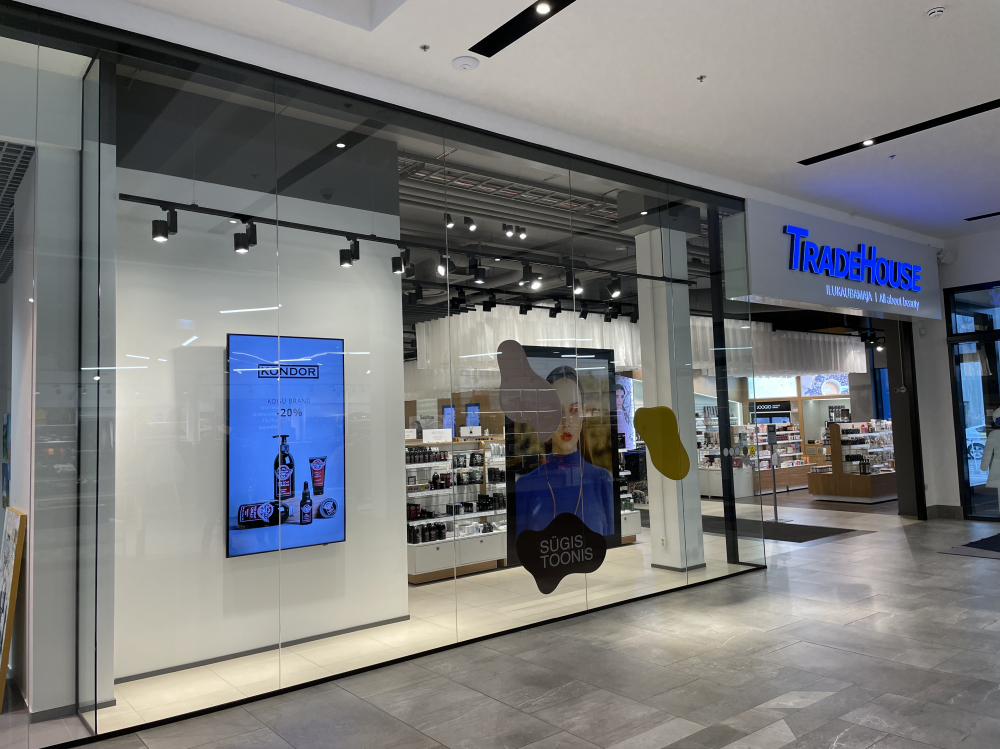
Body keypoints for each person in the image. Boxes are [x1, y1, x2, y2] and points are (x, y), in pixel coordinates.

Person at [515, 366, 615, 536]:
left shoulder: (601, 481)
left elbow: (610, 544)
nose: (566, 421)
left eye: (574, 411)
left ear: (583, 415)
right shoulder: (526, 487)